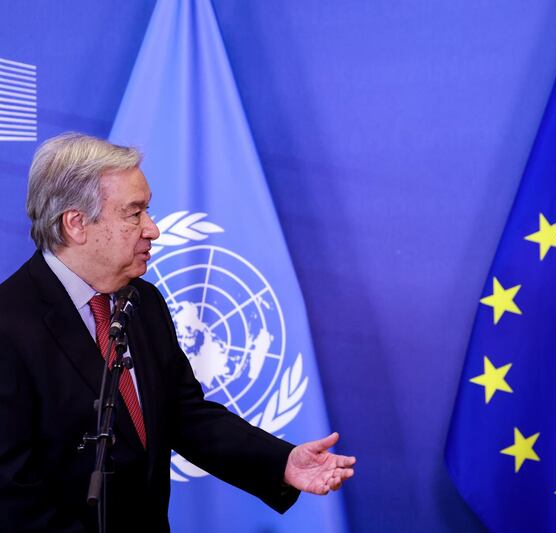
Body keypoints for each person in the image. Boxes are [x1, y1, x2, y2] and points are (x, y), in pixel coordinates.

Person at [0, 133, 355, 532]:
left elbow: (184, 415)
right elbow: (11, 492)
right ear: (77, 223)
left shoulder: (143, 301)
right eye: (134, 214)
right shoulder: (9, 324)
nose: (152, 229)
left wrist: (281, 462)